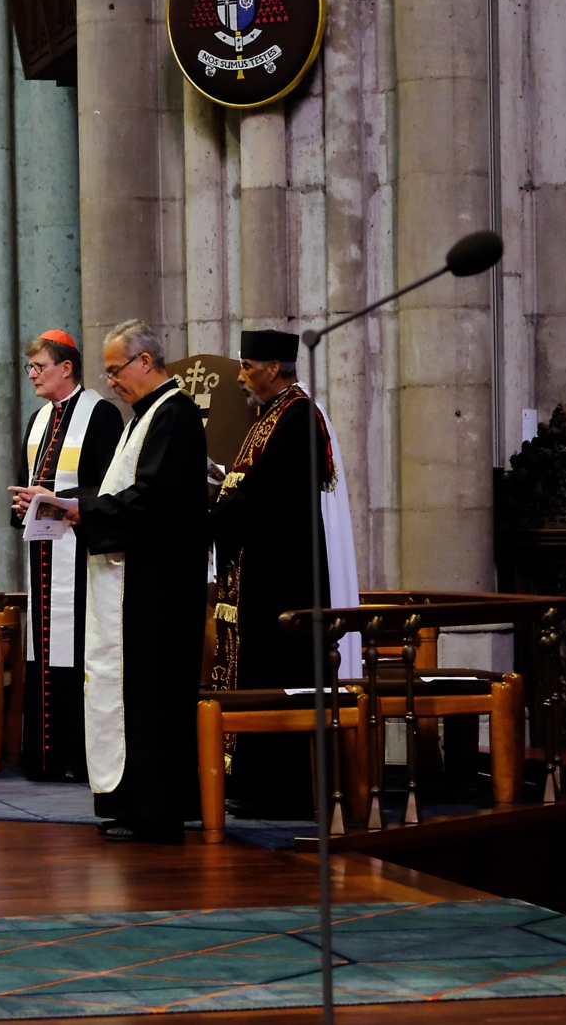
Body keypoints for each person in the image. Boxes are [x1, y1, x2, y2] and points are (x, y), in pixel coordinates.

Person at [210, 329, 360, 818]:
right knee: (254, 669)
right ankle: (253, 782)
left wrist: (210, 517)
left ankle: (279, 791)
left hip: (283, 576)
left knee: (277, 672)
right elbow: (251, 484)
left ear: (273, 367)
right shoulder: (270, 416)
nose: (241, 373)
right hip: (260, 571)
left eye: (248, 364)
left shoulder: (298, 417)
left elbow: (268, 493)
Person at [68, 319, 207, 842]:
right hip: (135, 584)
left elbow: (153, 500)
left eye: (114, 370)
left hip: (158, 589)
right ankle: (130, 804)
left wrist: (81, 511)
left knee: (150, 697)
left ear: (144, 362)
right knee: (128, 694)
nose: (111, 382)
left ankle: (156, 811)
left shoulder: (175, 417)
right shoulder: (144, 417)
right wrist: (77, 506)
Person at [7, 330, 123, 783]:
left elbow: (111, 488)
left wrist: (57, 497)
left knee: (77, 650)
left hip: (81, 553)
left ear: (66, 368)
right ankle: (44, 757)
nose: (32, 375)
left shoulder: (102, 415)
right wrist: (24, 504)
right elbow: (25, 477)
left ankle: (78, 756)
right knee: (44, 649)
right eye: (30, 367)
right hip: (43, 554)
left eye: (39, 367)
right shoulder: (38, 420)